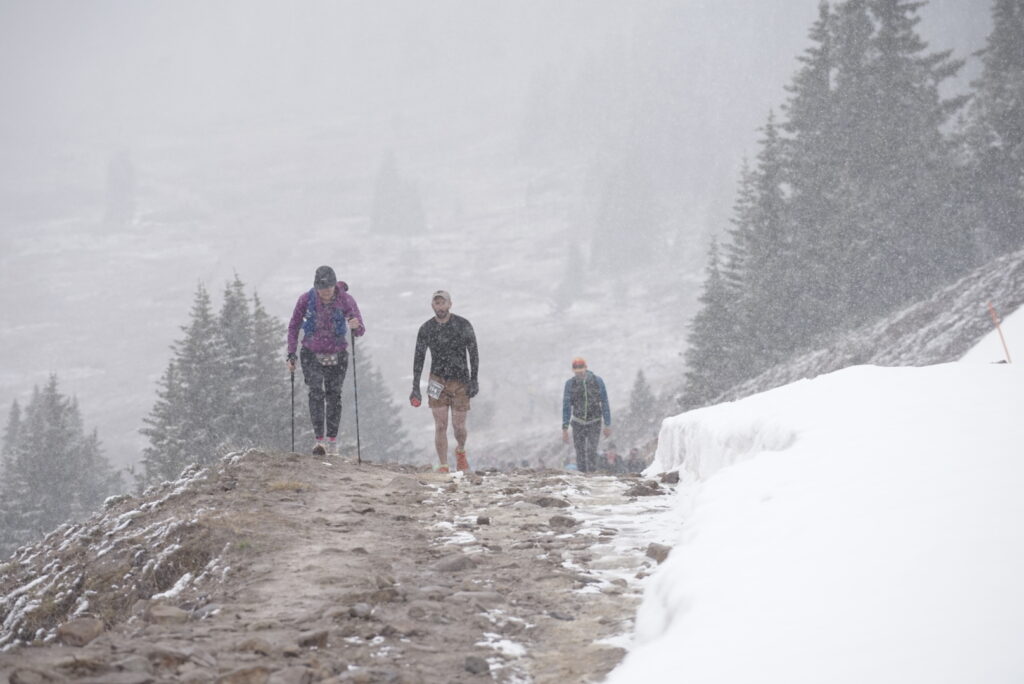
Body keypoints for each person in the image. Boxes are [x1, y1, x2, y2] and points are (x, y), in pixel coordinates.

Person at [287, 266, 365, 456]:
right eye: (322, 290)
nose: (325, 293)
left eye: (329, 289)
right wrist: (291, 354)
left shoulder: (346, 300)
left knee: (334, 395)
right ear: (316, 287)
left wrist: (356, 326)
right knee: (315, 392)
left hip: (337, 354)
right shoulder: (306, 300)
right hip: (311, 353)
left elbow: (360, 330)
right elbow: (293, 327)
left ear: (334, 286)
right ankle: (318, 441)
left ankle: (332, 441)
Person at [410, 290, 479, 473]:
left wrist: (474, 380)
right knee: (440, 425)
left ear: (450, 304)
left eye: (443, 303)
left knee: (459, 426)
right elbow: (419, 358)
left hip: (460, 380)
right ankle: (443, 465)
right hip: (437, 380)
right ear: (432, 305)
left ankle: (461, 451)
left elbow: (473, 353)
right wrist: (415, 387)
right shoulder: (426, 329)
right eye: (436, 304)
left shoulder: (463, 325)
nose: (440, 307)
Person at [561, 357, 611, 473]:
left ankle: (592, 473)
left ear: (586, 368)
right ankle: (582, 475)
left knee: (592, 449)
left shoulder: (597, 381)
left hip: (595, 421)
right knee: (580, 451)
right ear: (573, 371)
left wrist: (607, 424)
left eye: (581, 369)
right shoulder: (570, 384)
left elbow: (604, 402)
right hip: (578, 422)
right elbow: (566, 406)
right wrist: (564, 428)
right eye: (576, 371)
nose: (579, 373)